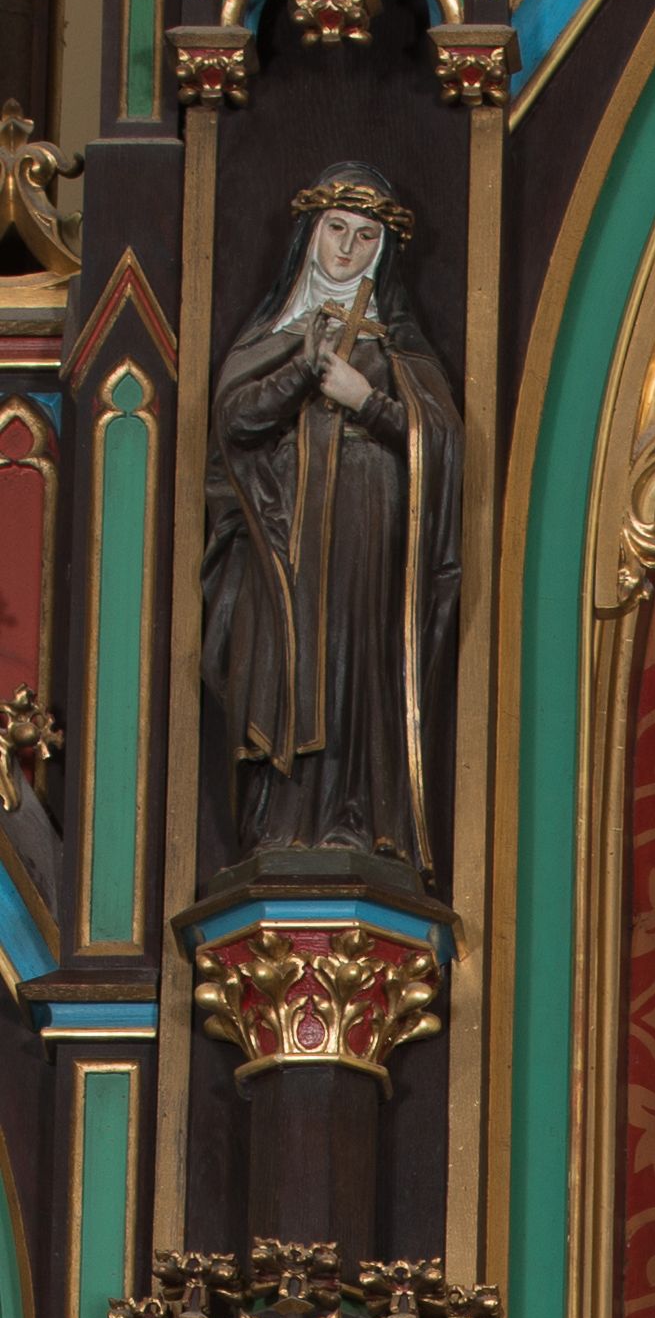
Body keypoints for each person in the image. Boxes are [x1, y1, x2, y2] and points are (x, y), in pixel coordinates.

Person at [200, 165, 463, 885]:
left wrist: (364, 400)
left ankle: (358, 819)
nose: (347, 250)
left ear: (383, 249)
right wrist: (302, 372)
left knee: (355, 665)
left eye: (365, 236)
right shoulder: (276, 334)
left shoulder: (398, 347)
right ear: (310, 236)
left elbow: (439, 444)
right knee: (280, 664)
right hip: (279, 536)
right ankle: (278, 826)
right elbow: (234, 421)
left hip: (365, 530)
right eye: (336, 230)